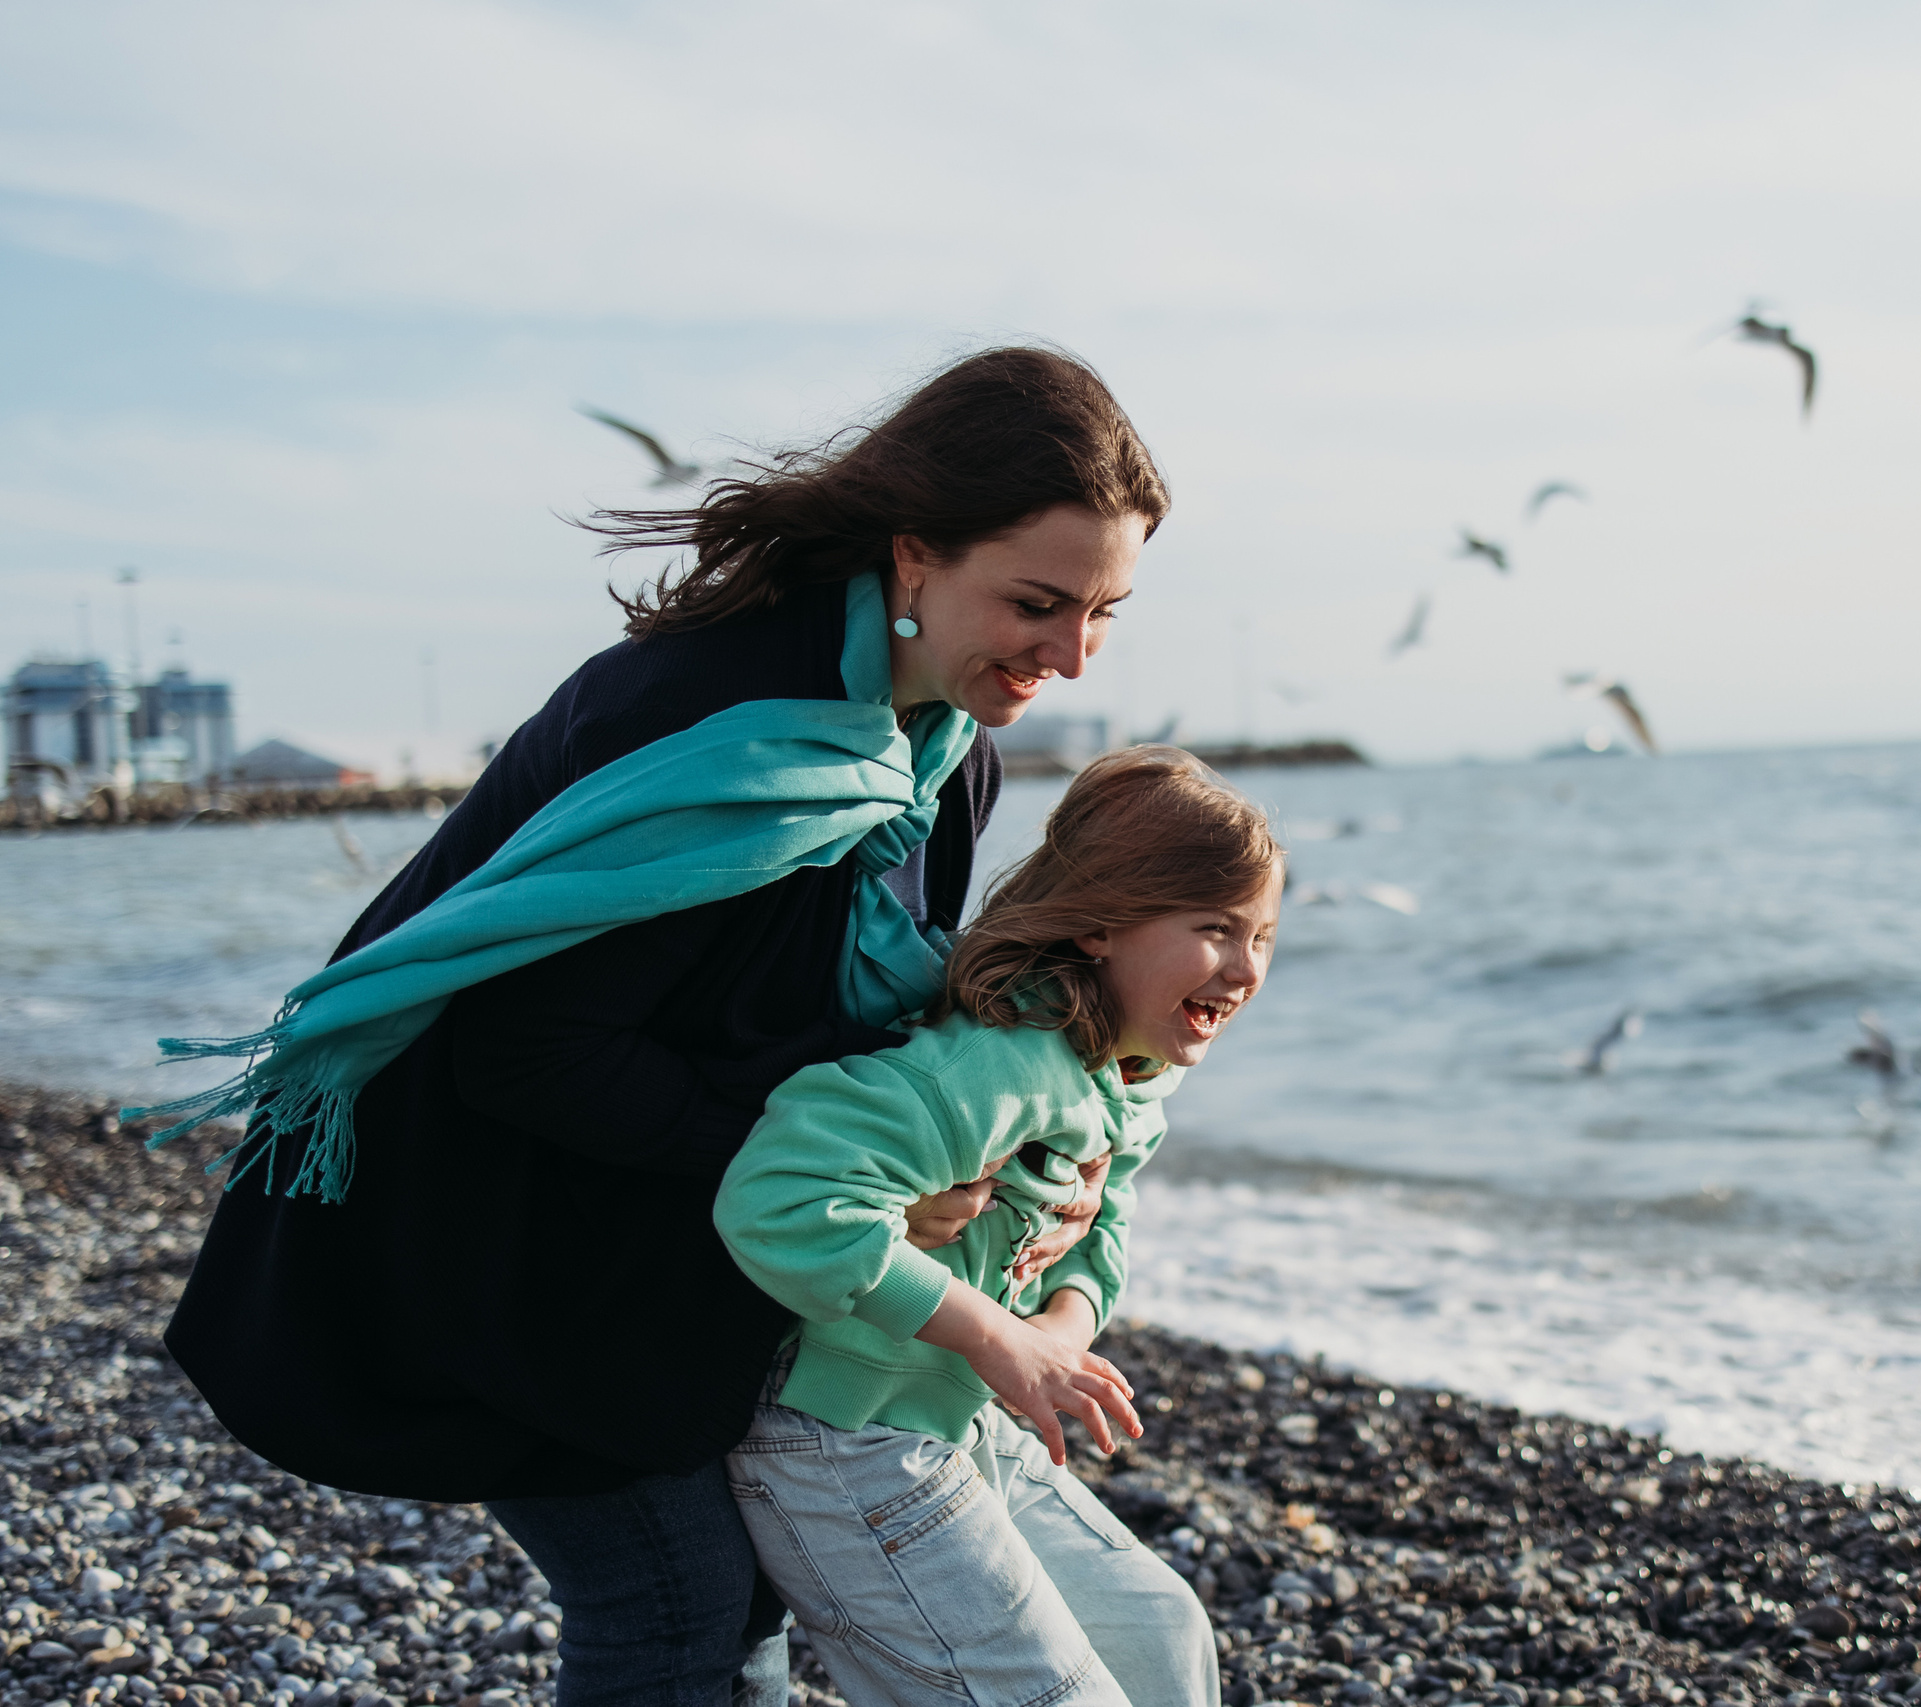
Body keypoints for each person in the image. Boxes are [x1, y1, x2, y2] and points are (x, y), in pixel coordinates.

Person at [151, 347, 1170, 1705]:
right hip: (483, 1226)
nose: (1069, 655)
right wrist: (819, 1162)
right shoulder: (709, 720)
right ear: (915, 556)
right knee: (675, 1592)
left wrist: (1042, 1144)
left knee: (721, 1587)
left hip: (666, 1233)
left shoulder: (942, 753)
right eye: (1038, 602)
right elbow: (527, 1050)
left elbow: (895, 1019)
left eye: (1105, 611)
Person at [715, 746, 1283, 1707]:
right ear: (1103, 924)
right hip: (840, 1436)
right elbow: (777, 1198)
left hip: (957, 1412)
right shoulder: (1000, 1064)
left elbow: (1105, 1225)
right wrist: (993, 1333)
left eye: (1264, 936)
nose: (1244, 967)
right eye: (1216, 929)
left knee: (1163, 1634)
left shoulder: (1134, 1073)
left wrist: (1058, 1334)